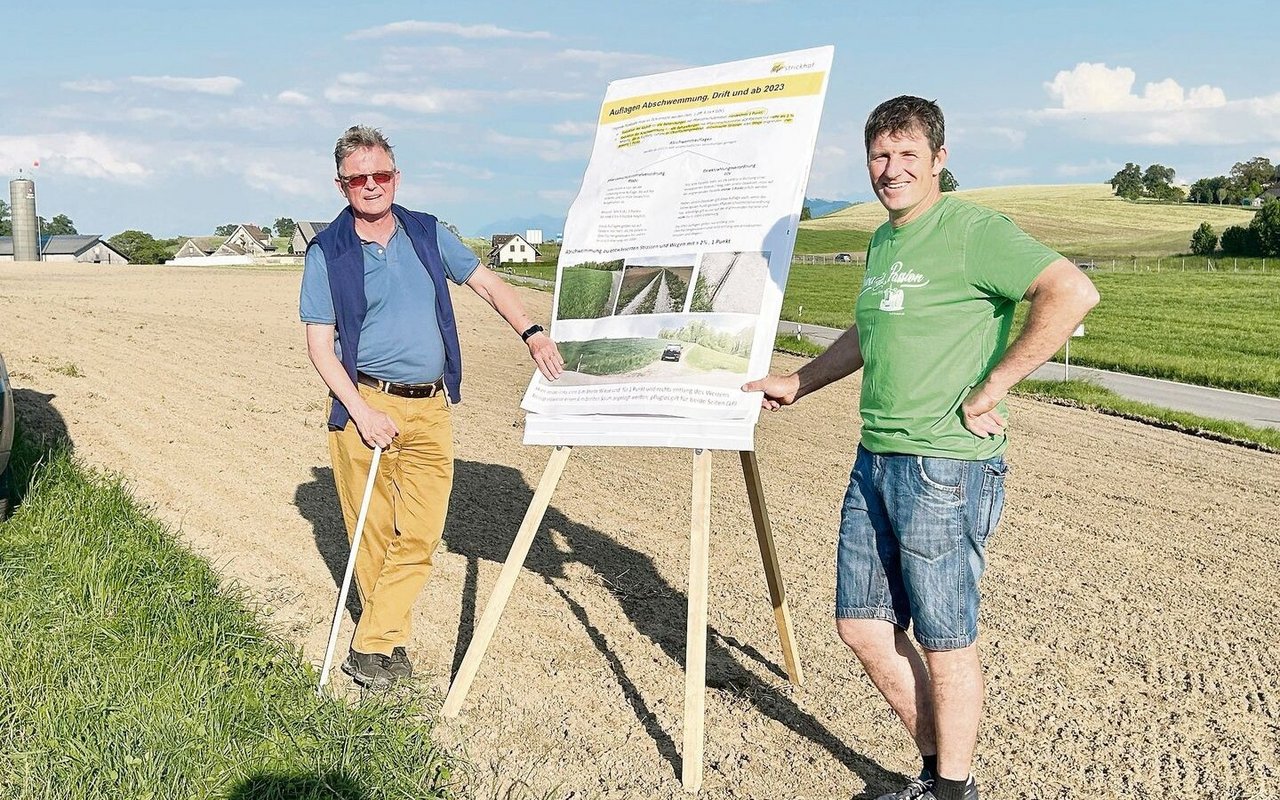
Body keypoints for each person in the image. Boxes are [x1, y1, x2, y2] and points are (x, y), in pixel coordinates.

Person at [744, 97, 1098, 800]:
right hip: (877, 455)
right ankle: (942, 775)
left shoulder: (972, 231)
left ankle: (950, 790)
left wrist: (993, 384)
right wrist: (800, 381)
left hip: (946, 465)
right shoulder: (884, 240)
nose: (892, 169)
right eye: (881, 155)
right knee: (862, 625)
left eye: (909, 156)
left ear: (940, 161)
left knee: (945, 640)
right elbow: (869, 334)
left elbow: (1070, 290)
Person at [300, 125, 563, 690]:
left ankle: (369, 641)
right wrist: (362, 412)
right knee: (370, 533)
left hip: (431, 406)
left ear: (396, 176)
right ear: (341, 185)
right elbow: (320, 346)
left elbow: (488, 283)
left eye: (382, 175)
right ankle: (384, 647)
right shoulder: (328, 252)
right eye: (358, 178)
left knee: (420, 532)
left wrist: (533, 332)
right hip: (364, 405)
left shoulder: (426, 232)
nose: (372, 186)